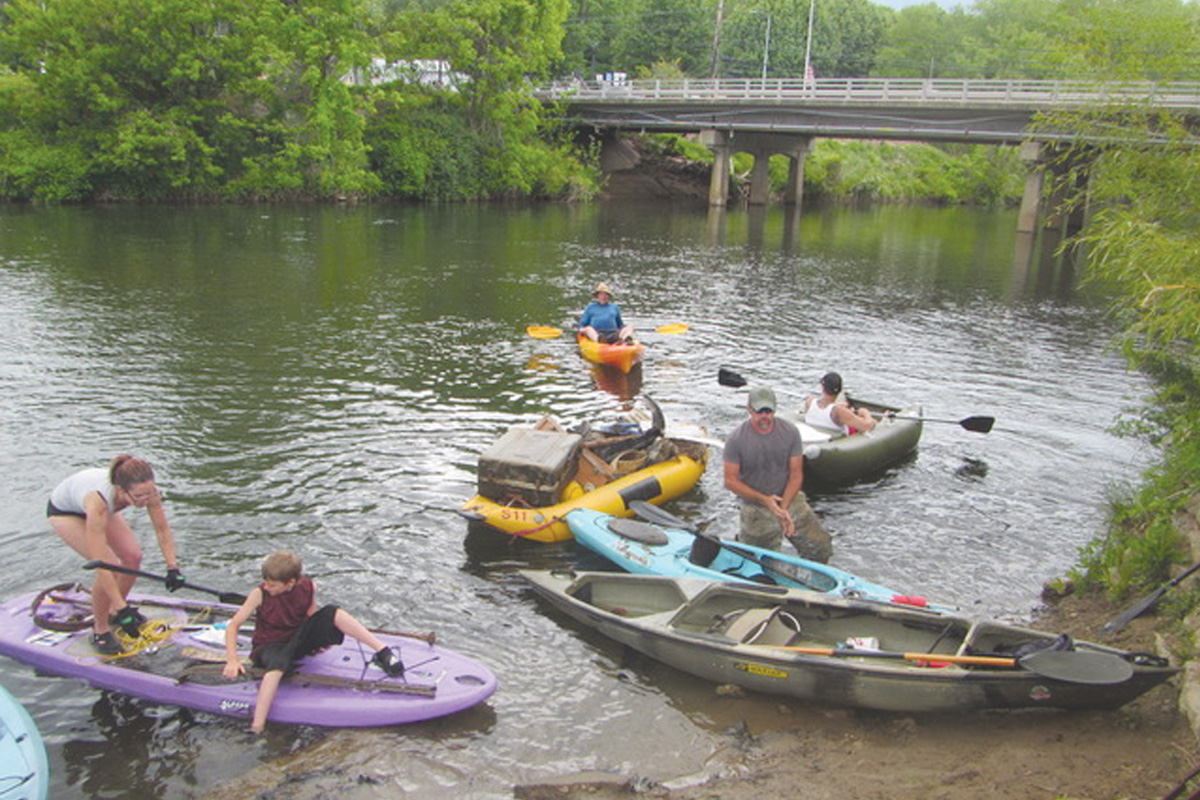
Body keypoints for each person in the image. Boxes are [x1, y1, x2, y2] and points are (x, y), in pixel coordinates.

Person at [222, 550, 406, 734]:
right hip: (269, 647)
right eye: (267, 583)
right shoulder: (259, 594)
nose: (267, 587)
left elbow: (311, 615)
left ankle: (383, 652)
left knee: (333, 612)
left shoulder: (308, 587)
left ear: (291, 583)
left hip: (296, 641)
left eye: (273, 585)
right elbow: (233, 626)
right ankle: (257, 726)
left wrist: (319, 637)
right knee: (278, 663)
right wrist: (233, 660)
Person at [47, 454, 185, 656]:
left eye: (149, 494)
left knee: (133, 557)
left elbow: (162, 529)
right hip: (66, 512)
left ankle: (113, 611)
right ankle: (100, 629)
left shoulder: (148, 492)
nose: (146, 501)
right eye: (139, 497)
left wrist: (173, 566)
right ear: (121, 490)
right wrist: (123, 608)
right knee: (111, 565)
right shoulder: (99, 502)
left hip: (96, 505)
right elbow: (101, 564)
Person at [723, 387, 832, 562]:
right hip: (756, 507)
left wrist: (783, 509)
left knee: (820, 546)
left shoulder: (790, 432)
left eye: (769, 411)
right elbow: (730, 481)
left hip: (789, 498)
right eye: (760, 412)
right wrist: (764, 500)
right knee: (756, 561)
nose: (765, 417)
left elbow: (796, 474)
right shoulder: (736, 439)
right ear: (749, 409)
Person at [802, 372, 876, 434]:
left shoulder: (810, 401)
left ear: (822, 387)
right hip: (834, 441)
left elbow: (824, 409)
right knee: (871, 421)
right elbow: (867, 427)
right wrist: (865, 413)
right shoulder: (839, 411)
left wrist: (841, 407)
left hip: (817, 433)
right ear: (840, 390)